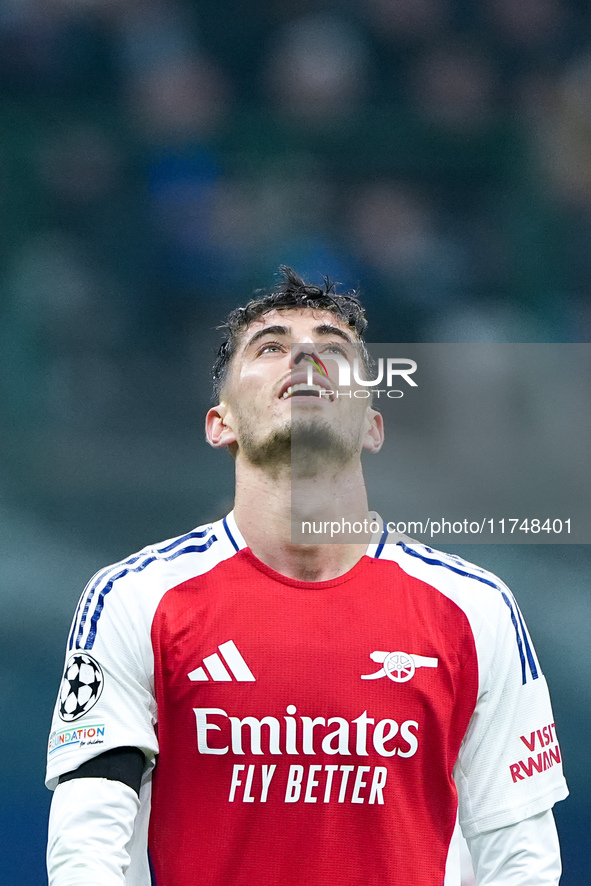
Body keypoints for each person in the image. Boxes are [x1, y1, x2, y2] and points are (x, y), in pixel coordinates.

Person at [46, 267, 568, 885]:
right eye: (270, 348)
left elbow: (521, 858)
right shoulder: (134, 599)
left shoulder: (475, 609)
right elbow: (88, 844)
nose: (304, 358)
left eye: (334, 349)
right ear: (222, 424)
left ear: (373, 425)